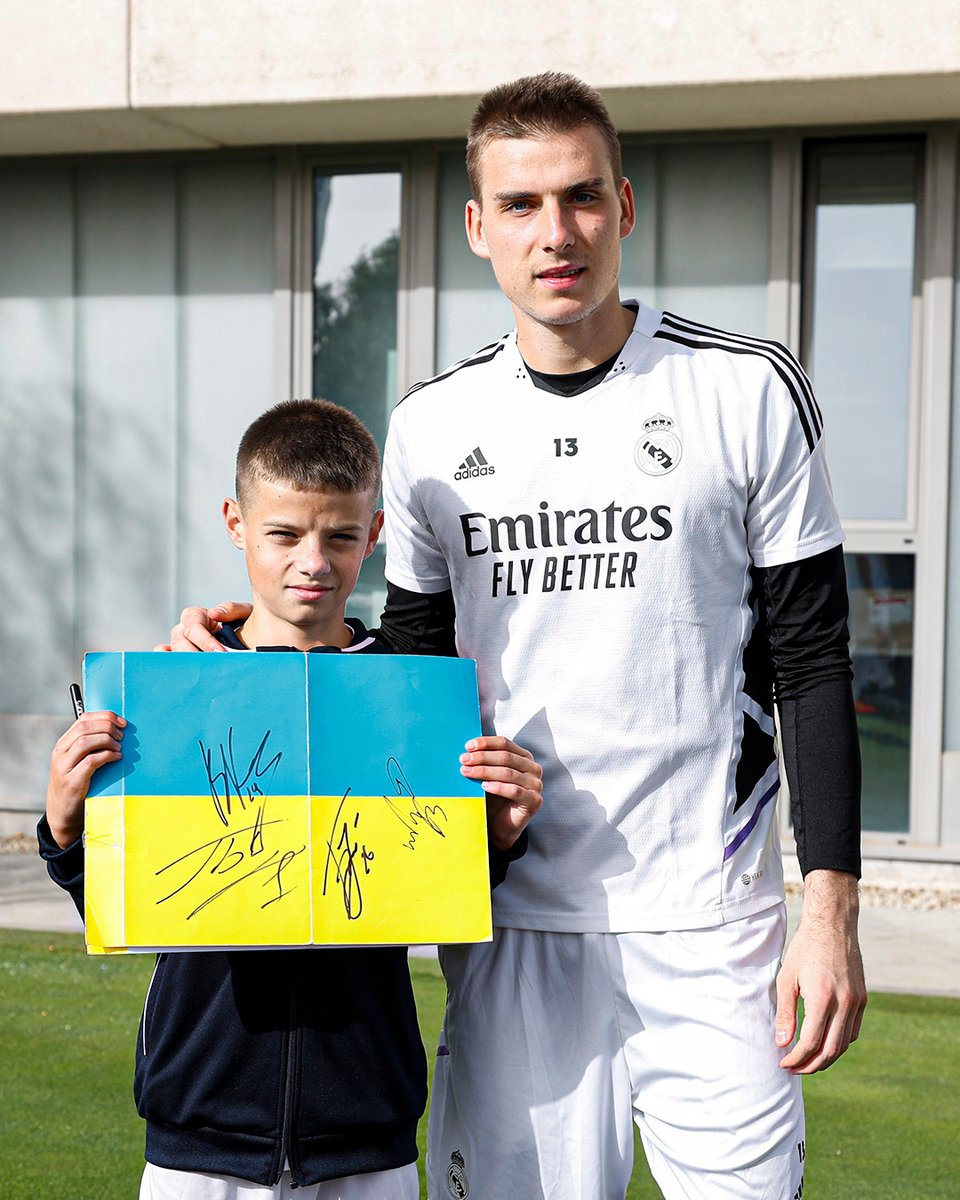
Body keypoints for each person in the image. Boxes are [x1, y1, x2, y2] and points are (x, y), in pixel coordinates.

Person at [170, 74, 866, 1200]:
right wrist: (239, 665)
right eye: (524, 203)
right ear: (477, 226)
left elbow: (814, 660)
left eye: (583, 197)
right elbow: (401, 665)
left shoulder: (745, 389)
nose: (558, 233)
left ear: (625, 208)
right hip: (506, 923)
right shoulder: (434, 428)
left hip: (713, 925)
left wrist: (828, 909)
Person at [40, 398, 542, 1200]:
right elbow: (125, 894)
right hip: (200, 1124)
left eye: (341, 535)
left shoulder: (412, 696)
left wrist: (501, 837)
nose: (314, 560)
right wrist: (66, 826)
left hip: (366, 1125)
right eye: (284, 534)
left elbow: (438, 887)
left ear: (373, 535)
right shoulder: (177, 686)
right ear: (236, 523)